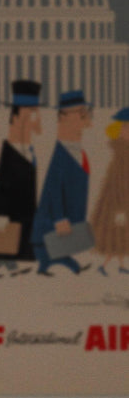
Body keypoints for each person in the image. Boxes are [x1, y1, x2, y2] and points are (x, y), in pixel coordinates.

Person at [0, 80, 42, 277]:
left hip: (23, 209)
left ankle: (9, 263)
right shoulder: (11, 150)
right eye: (32, 113)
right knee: (6, 226)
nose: (37, 119)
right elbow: (3, 189)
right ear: (17, 116)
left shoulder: (28, 149)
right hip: (8, 208)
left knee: (21, 225)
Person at [31, 90, 94, 276]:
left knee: (65, 240)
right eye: (80, 114)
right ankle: (46, 258)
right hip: (55, 220)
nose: (85, 117)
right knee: (53, 237)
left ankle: (51, 258)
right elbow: (54, 188)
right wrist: (59, 218)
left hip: (70, 213)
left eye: (85, 113)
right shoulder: (61, 153)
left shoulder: (75, 148)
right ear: (63, 117)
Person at [90, 107, 129, 275]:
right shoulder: (122, 154)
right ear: (122, 130)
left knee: (120, 236)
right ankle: (105, 266)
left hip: (122, 200)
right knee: (117, 234)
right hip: (119, 202)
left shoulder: (123, 152)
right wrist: (121, 205)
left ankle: (119, 266)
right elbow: (118, 181)